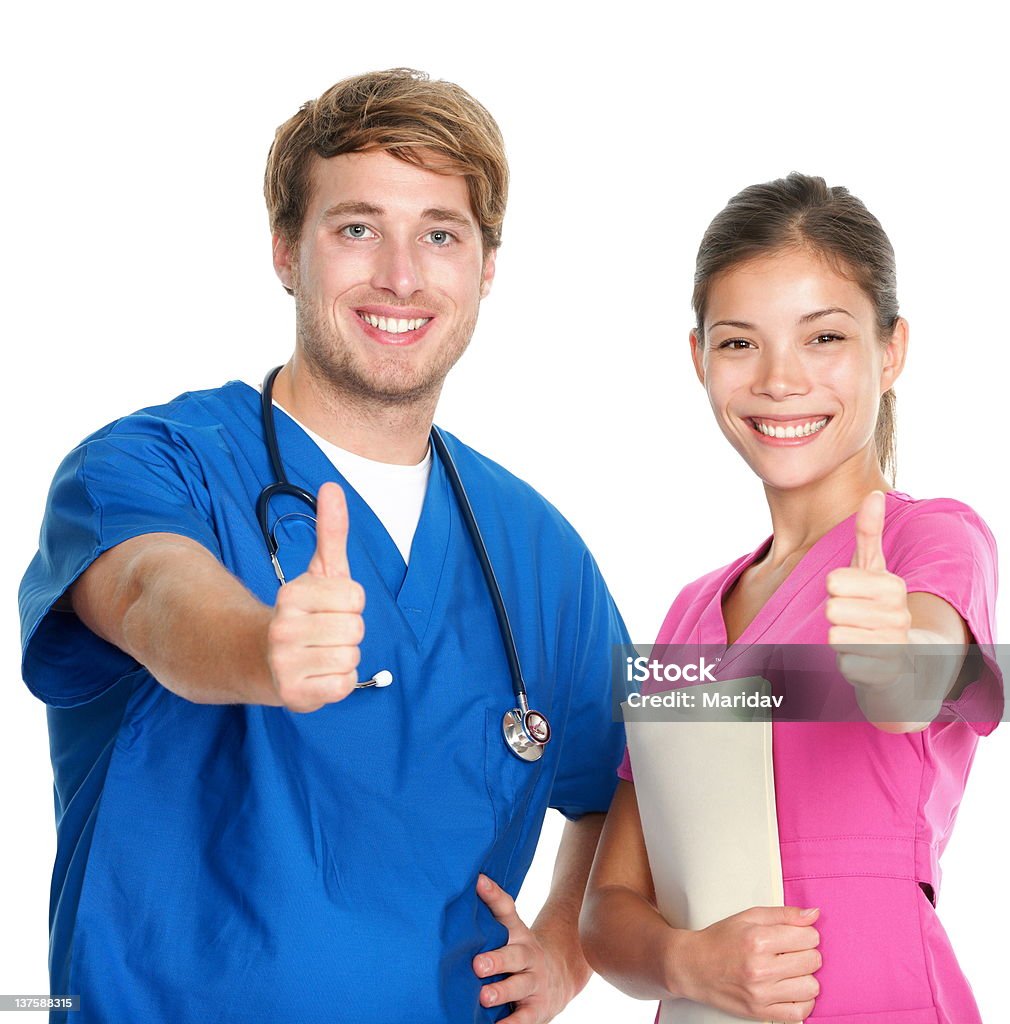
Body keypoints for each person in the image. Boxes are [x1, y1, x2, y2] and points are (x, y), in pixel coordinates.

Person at [18, 68, 628, 1024]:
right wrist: (260, 647)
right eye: (356, 228)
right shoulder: (152, 465)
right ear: (284, 252)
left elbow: (625, 781)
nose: (400, 274)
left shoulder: (538, 552)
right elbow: (147, 592)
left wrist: (563, 946)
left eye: (440, 233)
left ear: (486, 267)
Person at [580, 173, 1000, 1023]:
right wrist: (685, 960)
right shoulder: (688, 614)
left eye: (824, 338)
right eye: (739, 343)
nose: (780, 379)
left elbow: (916, 682)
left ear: (891, 351)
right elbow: (608, 906)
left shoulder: (932, 542)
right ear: (699, 359)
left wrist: (891, 659)